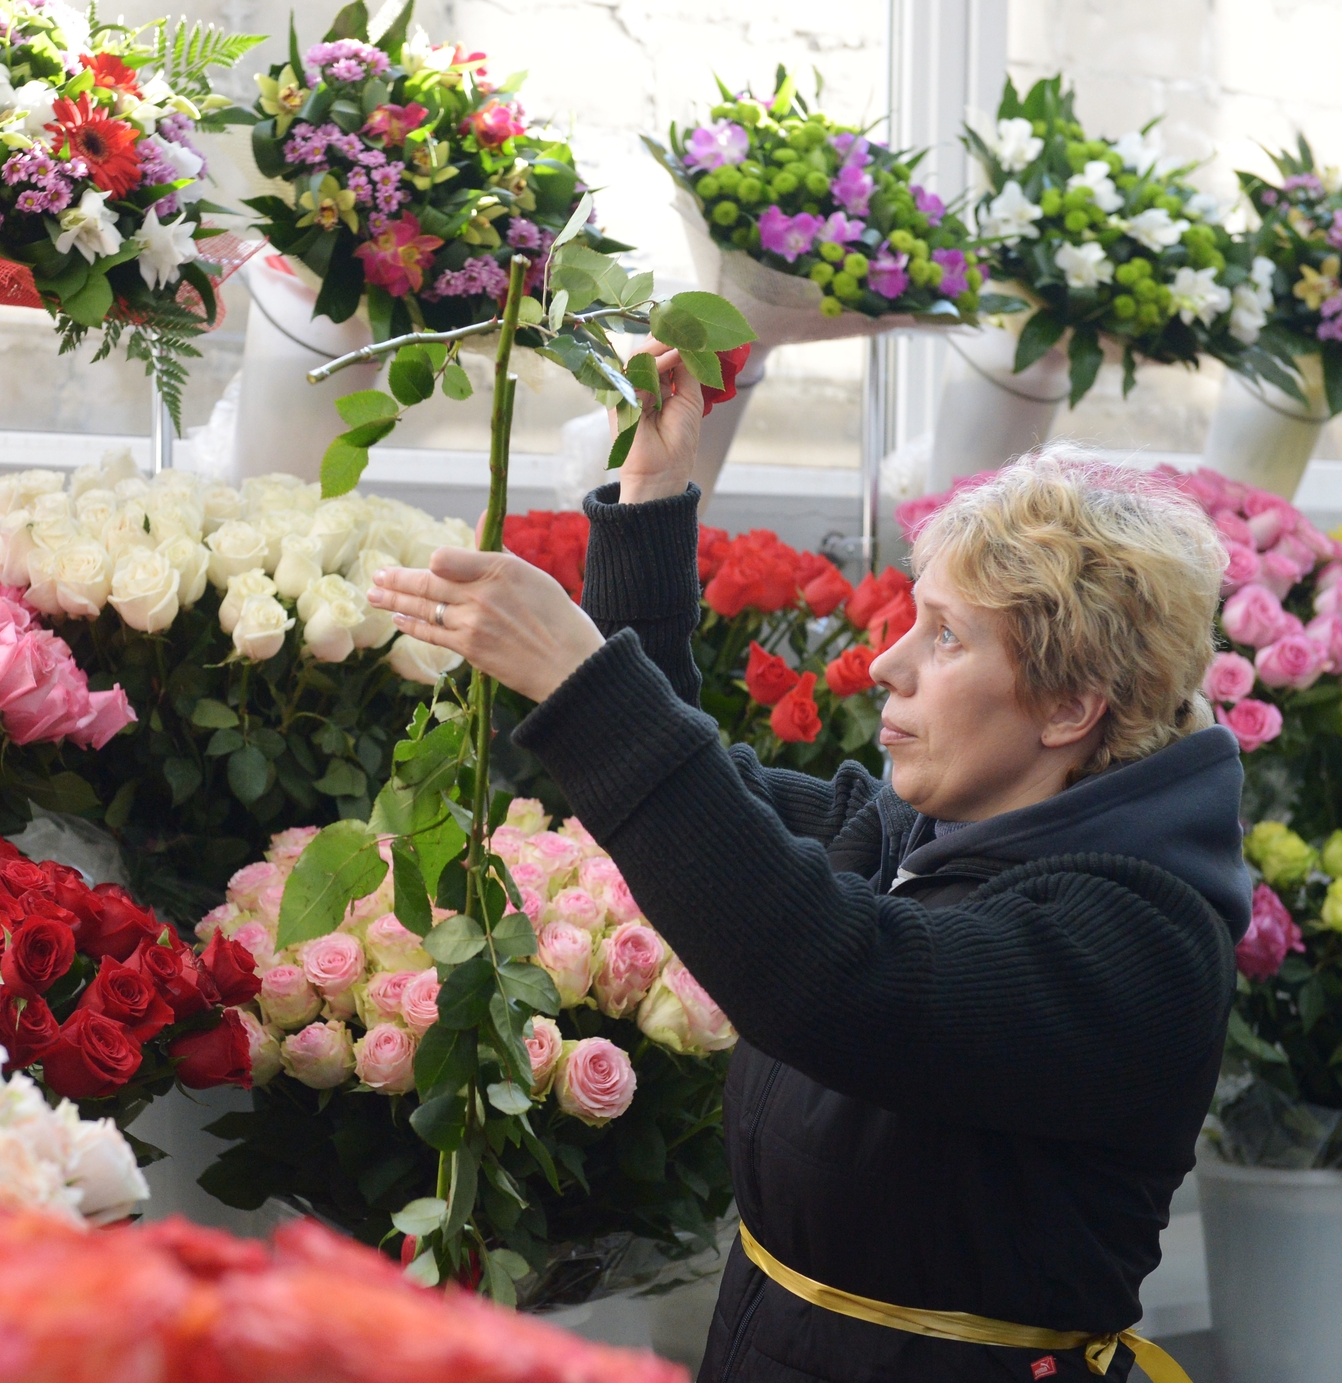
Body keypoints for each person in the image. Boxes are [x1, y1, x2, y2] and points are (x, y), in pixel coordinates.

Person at [366, 341, 1245, 1383]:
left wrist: (581, 675)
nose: (888, 663)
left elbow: (833, 978)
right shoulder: (913, 837)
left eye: (948, 639)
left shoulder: (1135, 939)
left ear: (1069, 707)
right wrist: (649, 498)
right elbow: (696, 797)